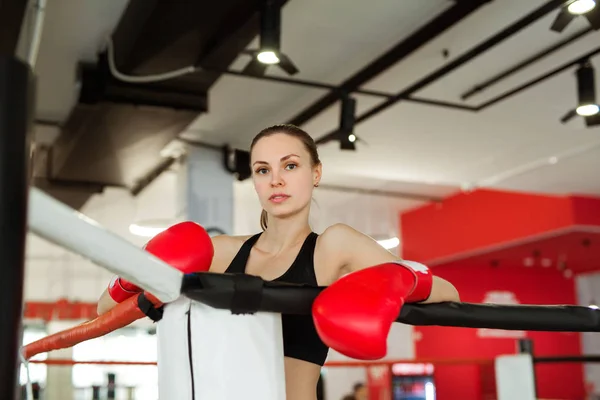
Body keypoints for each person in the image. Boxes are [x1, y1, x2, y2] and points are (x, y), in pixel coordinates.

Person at [97, 124, 460, 400]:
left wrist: (394, 283)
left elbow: (449, 292)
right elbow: (104, 309)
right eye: (262, 169)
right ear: (254, 181)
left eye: (290, 165)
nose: (276, 180)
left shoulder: (333, 246)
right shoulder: (221, 252)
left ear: (316, 173)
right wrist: (135, 275)